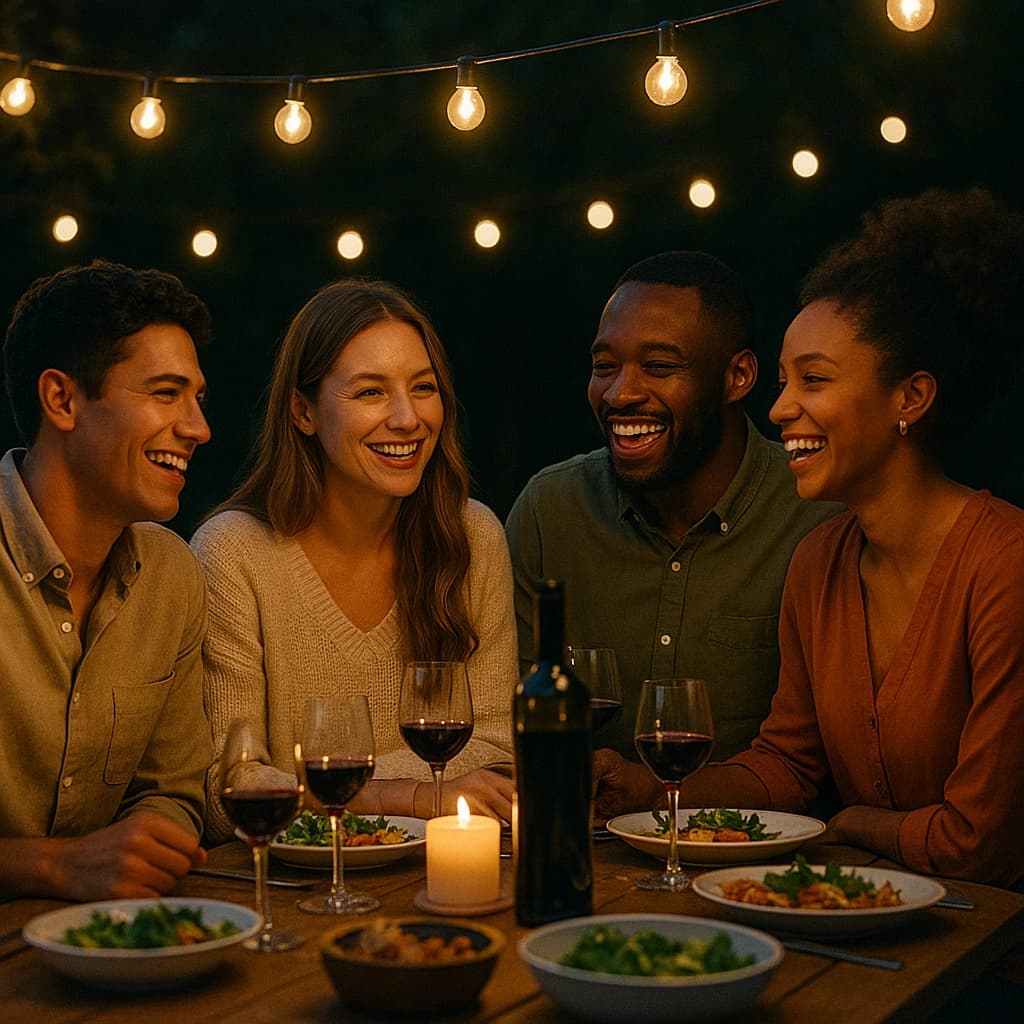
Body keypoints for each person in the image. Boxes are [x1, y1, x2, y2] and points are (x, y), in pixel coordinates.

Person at [673, 188, 1024, 888]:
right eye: (783, 381)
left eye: (814, 379)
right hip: (866, 917)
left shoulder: (1005, 566)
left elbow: (978, 843)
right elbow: (789, 765)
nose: (780, 408)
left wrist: (858, 822)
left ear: (910, 398)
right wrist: (651, 793)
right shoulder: (819, 561)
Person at [504, 251, 840, 820]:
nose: (620, 394)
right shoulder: (550, 510)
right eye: (604, 366)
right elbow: (500, 719)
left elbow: (815, 764)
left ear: (738, 377)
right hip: (586, 849)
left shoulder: (817, 513)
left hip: (765, 857)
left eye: (659, 367)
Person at [193, 278, 518, 843]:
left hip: (434, 869)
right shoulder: (233, 552)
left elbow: (495, 750)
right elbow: (229, 788)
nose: (407, 418)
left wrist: (312, 785)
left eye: (423, 387)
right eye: (370, 392)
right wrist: (405, 795)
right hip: (291, 882)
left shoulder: (472, 536)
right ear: (303, 412)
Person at [0, 260, 214, 899]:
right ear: (62, 401)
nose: (198, 428)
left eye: (197, 398)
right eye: (166, 393)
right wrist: (53, 866)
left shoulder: (172, 574)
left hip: (112, 940)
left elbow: (172, 792)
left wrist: (145, 847)